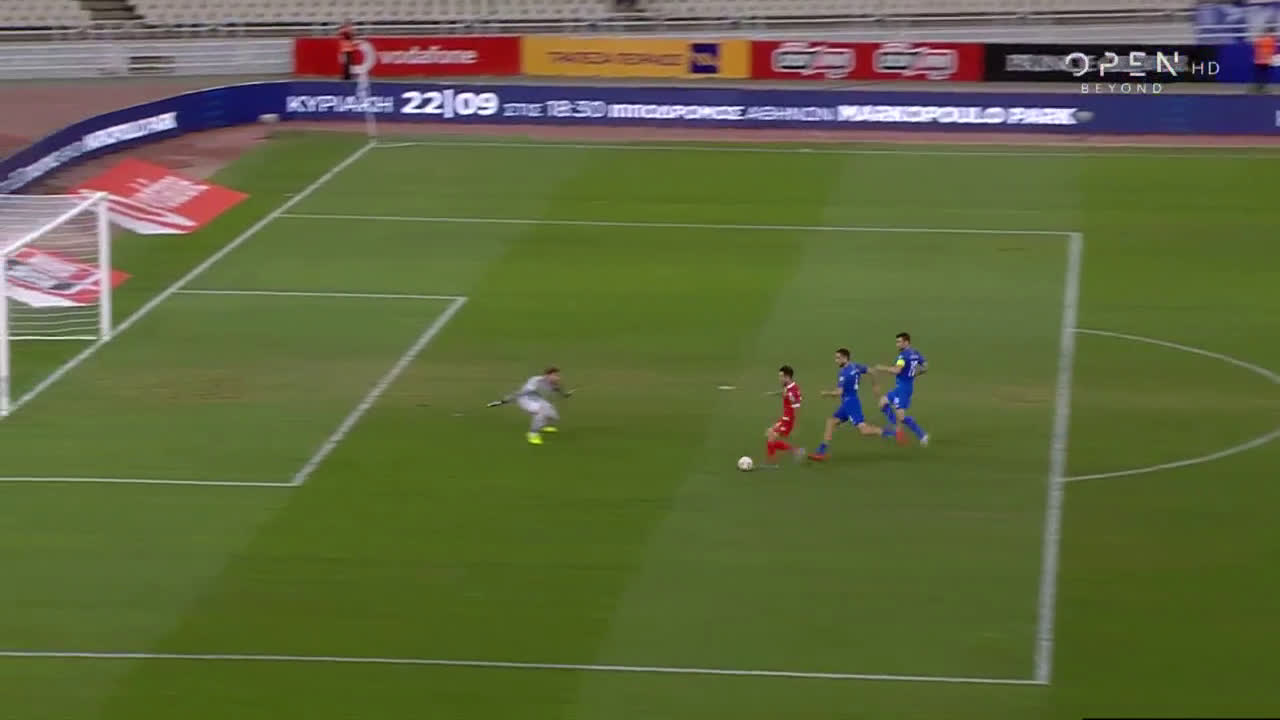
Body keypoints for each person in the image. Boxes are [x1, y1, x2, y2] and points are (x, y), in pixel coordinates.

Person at [808, 348, 894, 461]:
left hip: (851, 404)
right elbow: (872, 371)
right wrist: (875, 386)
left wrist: (826, 393)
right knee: (831, 422)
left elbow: (839, 392)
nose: (836, 360)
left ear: (845, 358)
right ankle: (821, 451)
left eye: (838, 358)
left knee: (864, 430)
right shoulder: (856, 366)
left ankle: (890, 433)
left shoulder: (844, 373)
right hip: (848, 402)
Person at [874, 332, 930, 447]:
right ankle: (895, 427)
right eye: (897, 342)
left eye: (899, 342)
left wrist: (881, 368)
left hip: (903, 390)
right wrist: (914, 374)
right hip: (903, 387)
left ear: (906, 342)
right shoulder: (915, 353)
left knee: (901, 417)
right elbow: (925, 366)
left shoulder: (902, 356)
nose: (897, 344)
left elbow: (896, 370)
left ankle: (922, 435)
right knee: (882, 402)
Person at [497, 367, 573, 445]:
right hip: (525, 399)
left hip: (538, 399)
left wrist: (565, 394)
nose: (557, 378)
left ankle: (544, 425)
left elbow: (557, 389)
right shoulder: (536, 381)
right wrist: (508, 399)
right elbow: (523, 392)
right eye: (555, 375)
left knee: (554, 417)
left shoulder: (553, 383)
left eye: (558, 376)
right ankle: (532, 434)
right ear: (547, 375)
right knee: (541, 412)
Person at [764, 365, 805, 465]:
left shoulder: (792, 390)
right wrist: (774, 394)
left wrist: (794, 424)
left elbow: (795, 403)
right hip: (784, 418)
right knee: (769, 433)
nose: (779, 379)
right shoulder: (790, 387)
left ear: (787, 377)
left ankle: (772, 461)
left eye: (781, 376)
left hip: (788, 420)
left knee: (771, 437)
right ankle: (795, 451)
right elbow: (786, 394)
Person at [1254, 27, 1276, 93]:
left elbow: (1256, 49)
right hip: (1266, 61)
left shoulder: (1259, 40)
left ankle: (1259, 88)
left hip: (1259, 61)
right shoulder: (1271, 40)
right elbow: (1272, 51)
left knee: (1260, 75)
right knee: (1265, 76)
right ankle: (1263, 88)